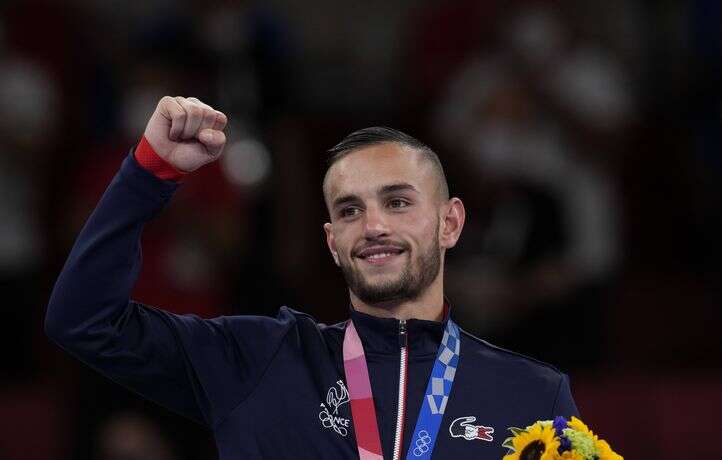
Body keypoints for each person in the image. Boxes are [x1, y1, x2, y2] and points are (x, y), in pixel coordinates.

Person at [45, 96, 578, 459]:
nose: (372, 226)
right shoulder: (257, 360)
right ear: (331, 241)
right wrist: (149, 173)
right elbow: (83, 320)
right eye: (349, 211)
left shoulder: (534, 397)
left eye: (397, 202)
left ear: (450, 222)